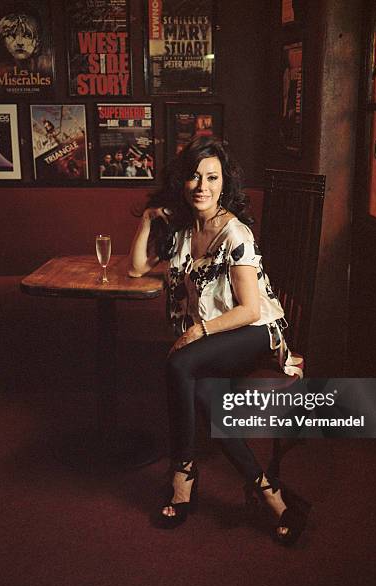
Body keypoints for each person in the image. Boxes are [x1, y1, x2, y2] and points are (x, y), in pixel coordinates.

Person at [128, 137, 303, 545]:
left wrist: (196, 332)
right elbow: (137, 268)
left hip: (255, 331)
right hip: (218, 336)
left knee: (179, 362)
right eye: (193, 176)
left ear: (225, 183)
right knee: (204, 394)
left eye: (211, 177)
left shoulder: (234, 231)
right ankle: (269, 492)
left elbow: (250, 310)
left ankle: (183, 472)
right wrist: (148, 219)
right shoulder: (184, 229)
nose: (202, 186)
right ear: (182, 183)